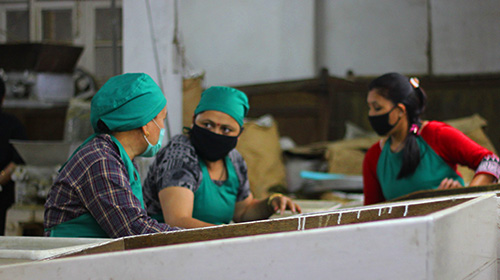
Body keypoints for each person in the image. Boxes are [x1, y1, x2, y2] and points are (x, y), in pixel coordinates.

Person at [143, 86, 301, 228]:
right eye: (207, 124)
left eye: (226, 130)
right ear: (193, 121)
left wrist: (271, 203)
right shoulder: (179, 155)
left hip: (213, 244)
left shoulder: (234, 159)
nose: (215, 133)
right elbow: (178, 221)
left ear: (239, 134)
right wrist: (231, 235)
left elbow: (243, 212)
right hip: (167, 247)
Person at [44, 73, 178, 238]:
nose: (163, 127)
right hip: (69, 259)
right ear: (146, 124)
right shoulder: (101, 160)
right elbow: (134, 230)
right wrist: (193, 238)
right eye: (162, 118)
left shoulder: (119, 158)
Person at [363, 72, 500, 205]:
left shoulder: (436, 135)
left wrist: (465, 198)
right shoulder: (374, 156)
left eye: (377, 108)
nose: (371, 114)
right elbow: (370, 213)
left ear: (400, 110)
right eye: (369, 108)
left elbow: (491, 161)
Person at [0, 77, 27, 235]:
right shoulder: (13, 124)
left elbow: (18, 160)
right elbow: (19, 159)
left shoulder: (12, 125)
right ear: (3, 99)